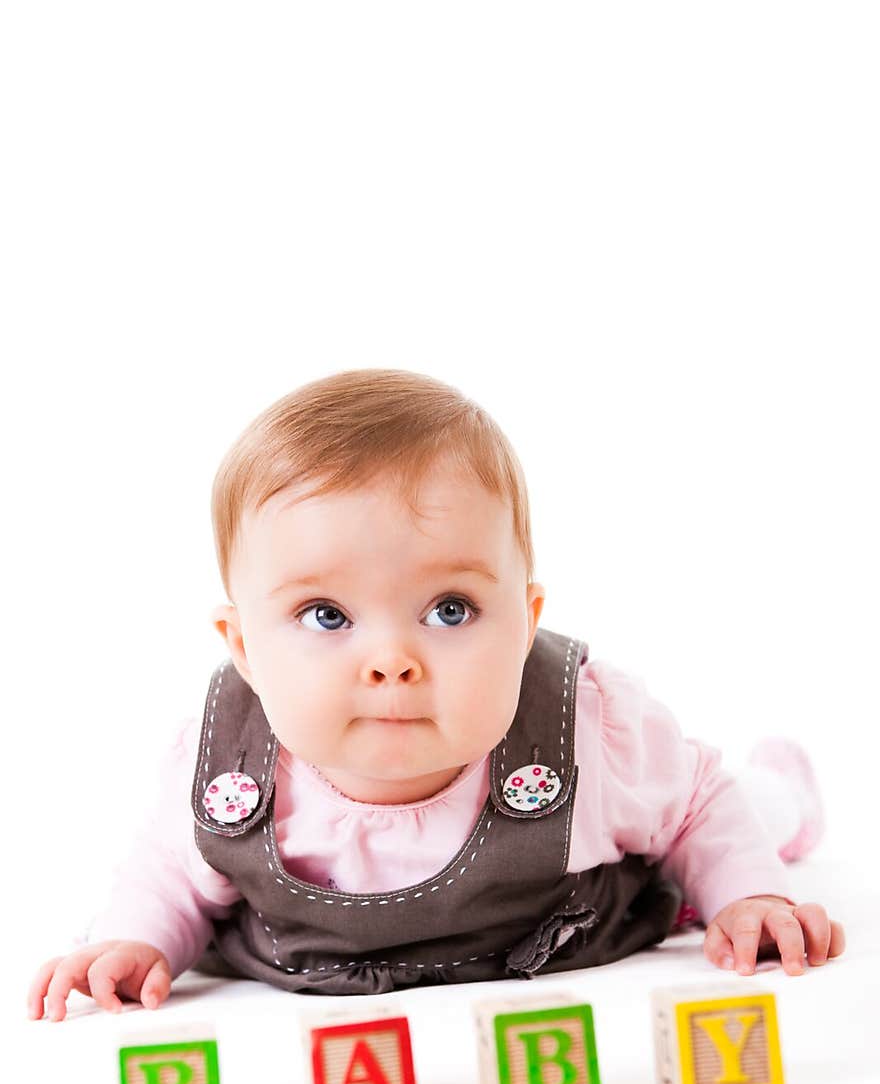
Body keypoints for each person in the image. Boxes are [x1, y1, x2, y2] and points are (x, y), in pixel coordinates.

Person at [27, 370, 844, 1020]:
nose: (392, 661)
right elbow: (171, 873)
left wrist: (748, 897)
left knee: (740, 820)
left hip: (576, 920)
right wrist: (131, 945)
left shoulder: (585, 731)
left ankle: (786, 799)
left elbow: (696, 803)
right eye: (327, 614)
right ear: (242, 648)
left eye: (450, 610)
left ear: (525, 624)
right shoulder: (226, 775)